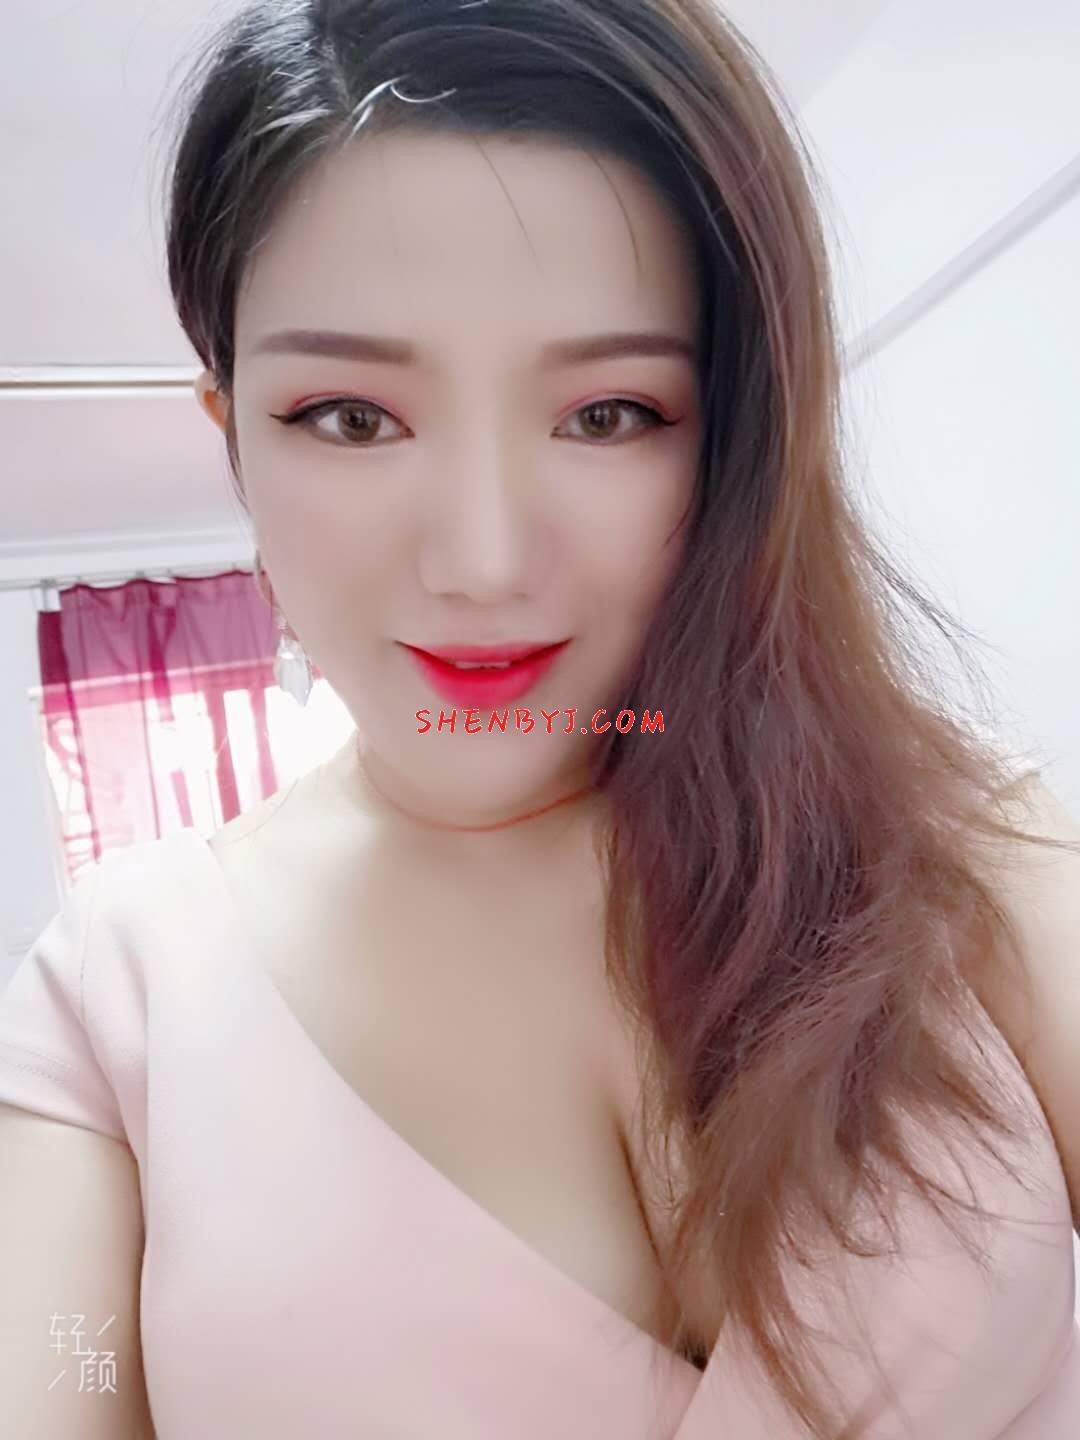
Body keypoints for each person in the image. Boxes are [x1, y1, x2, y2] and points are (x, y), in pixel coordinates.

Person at [2, 1, 1079, 1436]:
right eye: (350, 417)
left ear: (737, 435)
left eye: (609, 414)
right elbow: (61, 1374)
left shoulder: (944, 832)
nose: (485, 561)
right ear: (233, 433)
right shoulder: (116, 991)